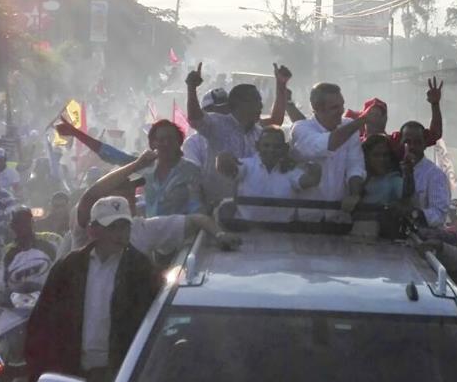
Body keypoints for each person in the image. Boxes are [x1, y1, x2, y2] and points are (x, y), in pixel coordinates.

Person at [25, 196, 158, 382]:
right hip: (73, 377)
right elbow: (41, 323)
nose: (120, 234)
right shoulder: (69, 267)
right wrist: (41, 376)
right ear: (94, 230)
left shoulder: (140, 270)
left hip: (118, 380)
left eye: (124, 226)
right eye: (113, 227)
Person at [72, 150, 241, 259]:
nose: (130, 195)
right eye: (123, 190)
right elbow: (90, 196)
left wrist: (220, 235)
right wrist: (136, 165)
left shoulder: (141, 228)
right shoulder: (88, 226)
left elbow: (198, 219)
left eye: (132, 189)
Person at [290, 82, 367, 220]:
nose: (341, 111)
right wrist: (362, 121)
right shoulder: (301, 129)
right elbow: (324, 145)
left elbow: (355, 166)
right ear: (316, 108)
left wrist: (354, 194)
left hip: (339, 216)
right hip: (307, 218)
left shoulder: (349, 125)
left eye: (342, 105)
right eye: (335, 107)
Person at [217, 126, 323, 223]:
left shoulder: (291, 170)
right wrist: (222, 159)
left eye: (277, 147)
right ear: (257, 146)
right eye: (266, 145)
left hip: (282, 235)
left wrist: (305, 162)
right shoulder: (245, 165)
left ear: (285, 148)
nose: (271, 150)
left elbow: (312, 180)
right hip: (245, 233)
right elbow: (226, 168)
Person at [186, 63, 290, 161]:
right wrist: (191, 88)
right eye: (255, 101)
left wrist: (281, 86)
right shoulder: (216, 125)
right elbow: (195, 118)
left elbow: (276, 121)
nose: (261, 106)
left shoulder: (257, 130)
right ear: (238, 105)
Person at [348, 77, 443, 159]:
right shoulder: (354, 144)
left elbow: (435, 134)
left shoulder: (396, 141)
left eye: (380, 114)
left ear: (385, 119)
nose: (376, 118)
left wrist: (435, 104)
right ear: (364, 118)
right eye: (372, 114)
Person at [182, 88, 236, 206]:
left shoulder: (238, 135)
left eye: (227, 108)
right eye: (218, 109)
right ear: (205, 112)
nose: (225, 113)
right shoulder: (192, 143)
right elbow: (193, 179)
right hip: (208, 205)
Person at [400, 120, 450, 227]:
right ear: (400, 143)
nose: (412, 147)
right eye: (407, 142)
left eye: (417, 142)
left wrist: (414, 214)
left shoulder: (435, 175)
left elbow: (439, 215)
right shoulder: (392, 167)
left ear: (424, 145)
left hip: (424, 237)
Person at [360, 134, 413, 207]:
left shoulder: (395, 181)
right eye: (376, 155)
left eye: (385, 155)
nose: (381, 159)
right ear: (366, 157)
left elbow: (409, 204)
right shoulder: (358, 181)